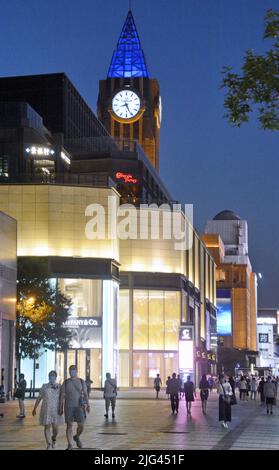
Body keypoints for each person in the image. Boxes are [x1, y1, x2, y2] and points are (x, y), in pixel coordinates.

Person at [59, 365, 90, 450]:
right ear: (69, 372)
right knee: (69, 425)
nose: (72, 371)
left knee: (81, 425)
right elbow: (62, 396)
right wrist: (60, 407)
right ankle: (70, 444)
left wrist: (88, 405)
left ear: (76, 371)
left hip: (79, 406)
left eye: (73, 370)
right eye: (71, 370)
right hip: (68, 406)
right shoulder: (65, 382)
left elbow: (86, 394)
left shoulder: (81, 381)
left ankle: (76, 436)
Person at [32, 370, 62, 450]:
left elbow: (62, 398)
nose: (51, 377)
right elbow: (39, 398)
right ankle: (48, 444)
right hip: (46, 409)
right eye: (50, 375)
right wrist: (35, 408)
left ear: (55, 377)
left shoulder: (59, 386)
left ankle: (54, 437)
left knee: (56, 428)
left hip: (56, 410)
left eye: (52, 375)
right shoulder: (44, 386)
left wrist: (61, 407)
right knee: (47, 427)